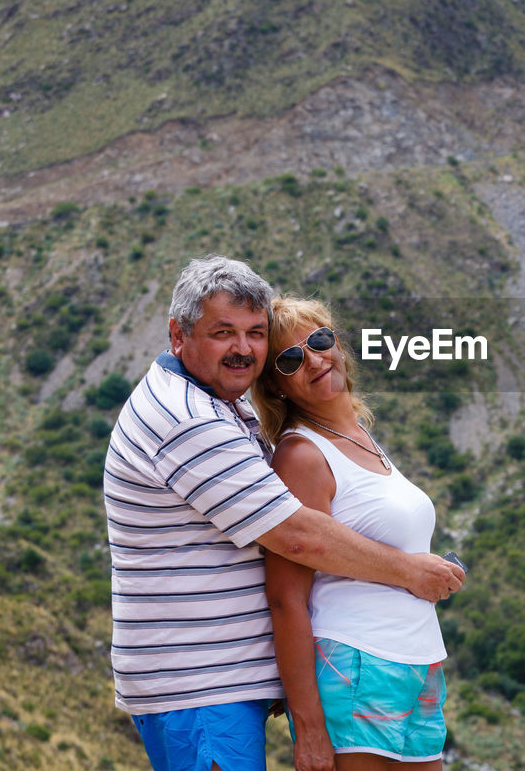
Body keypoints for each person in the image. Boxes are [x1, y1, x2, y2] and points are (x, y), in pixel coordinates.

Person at [103, 256, 463, 771]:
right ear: (178, 335)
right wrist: (410, 571)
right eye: (223, 332)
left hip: (222, 679)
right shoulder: (186, 417)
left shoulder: (223, 406)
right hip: (200, 682)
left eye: (253, 333)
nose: (243, 348)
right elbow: (296, 537)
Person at [251, 296, 452, 770]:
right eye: (291, 359)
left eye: (319, 340)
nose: (314, 359)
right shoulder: (301, 456)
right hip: (354, 663)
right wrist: (311, 728)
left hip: (416, 661)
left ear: (338, 345)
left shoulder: (361, 437)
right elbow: (285, 598)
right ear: (277, 387)